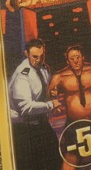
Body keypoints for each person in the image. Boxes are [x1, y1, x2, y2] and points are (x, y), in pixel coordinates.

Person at [49, 45, 91, 169]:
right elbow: (49, 95)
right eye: (72, 58)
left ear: (83, 57)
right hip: (74, 124)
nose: (75, 61)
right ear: (67, 61)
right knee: (70, 161)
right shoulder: (59, 76)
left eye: (78, 57)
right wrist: (53, 101)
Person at [8, 38, 62, 170]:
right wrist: (50, 105)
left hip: (40, 123)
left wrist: (51, 94)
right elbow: (26, 108)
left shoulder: (43, 69)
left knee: (55, 158)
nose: (39, 60)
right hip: (23, 129)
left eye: (41, 56)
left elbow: (42, 94)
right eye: (35, 57)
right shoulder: (22, 75)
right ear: (26, 54)